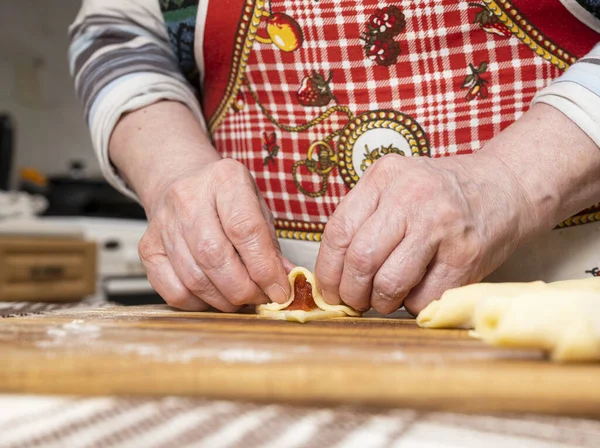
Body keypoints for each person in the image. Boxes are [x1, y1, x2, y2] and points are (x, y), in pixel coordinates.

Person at [69, 0, 600, 315]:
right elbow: (116, 33)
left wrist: (510, 181)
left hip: (571, 312)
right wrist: (173, 173)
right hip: (247, 337)